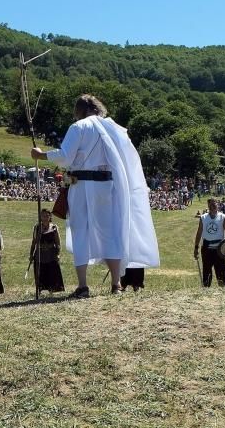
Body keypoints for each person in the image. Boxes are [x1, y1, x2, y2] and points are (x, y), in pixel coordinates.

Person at [31, 94, 160, 297]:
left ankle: (83, 286)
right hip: (107, 187)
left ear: (80, 110)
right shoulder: (114, 129)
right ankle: (116, 284)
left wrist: (41, 155)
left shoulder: (79, 127)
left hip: (81, 185)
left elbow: (65, 157)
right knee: (109, 233)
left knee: (80, 231)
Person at [194, 197, 225, 287]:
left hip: (219, 250)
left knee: (221, 273)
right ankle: (206, 292)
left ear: (217, 205)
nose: (212, 206)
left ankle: (224, 292)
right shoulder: (203, 218)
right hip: (207, 249)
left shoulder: (223, 217)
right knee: (207, 272)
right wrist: (196, 248)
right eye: (210, 205)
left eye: (214, 204)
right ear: (208, 206)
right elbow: (199, 233)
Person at [29, 208, 65, 295]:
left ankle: (52, 291)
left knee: (52, 273)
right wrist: (31, 254)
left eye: (47, 216)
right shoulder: (37, 228)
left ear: (50, 217)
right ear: (40, 217)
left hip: (51, 254)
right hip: (40, 255)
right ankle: (40, 290)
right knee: (41, 273)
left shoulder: (54, 227)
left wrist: (58, 254)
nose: (45, 217)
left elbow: (58, 243)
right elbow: (34, 243)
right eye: (43, 216)